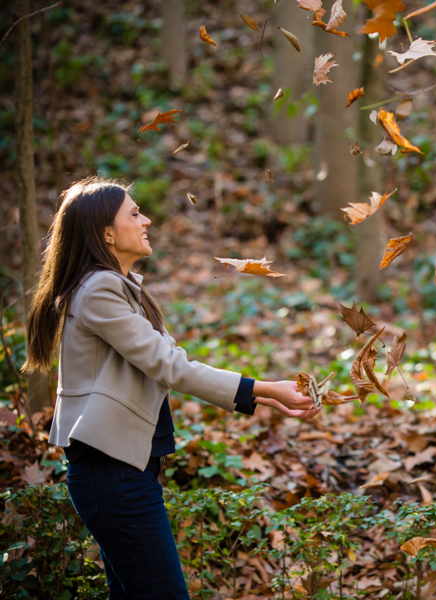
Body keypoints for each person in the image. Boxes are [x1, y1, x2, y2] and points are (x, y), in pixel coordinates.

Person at [22, 177, 320, 600]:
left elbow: (172, 358)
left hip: (123, 470)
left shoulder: (121, 288)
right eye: (134, 213)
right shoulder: (99, 291)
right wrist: (265, 390)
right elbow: (169, 366)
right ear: (107, 233)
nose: (146, 220)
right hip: (112, 475)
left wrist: (266, 392)